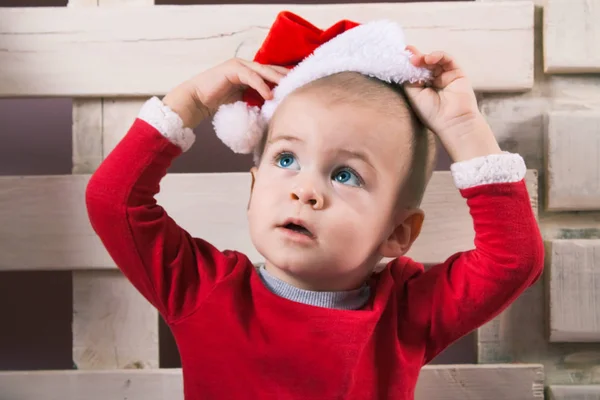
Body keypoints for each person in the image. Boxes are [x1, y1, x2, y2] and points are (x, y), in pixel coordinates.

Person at [85, 11, 544, 399]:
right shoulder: (203, 289)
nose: (306, 191)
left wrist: (463, 127)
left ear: (396, 234)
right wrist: (189, 101)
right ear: (252, 189)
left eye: (345, 175)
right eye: (286, 158)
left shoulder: (405, 313)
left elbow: (513, 261)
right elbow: (114, 202)